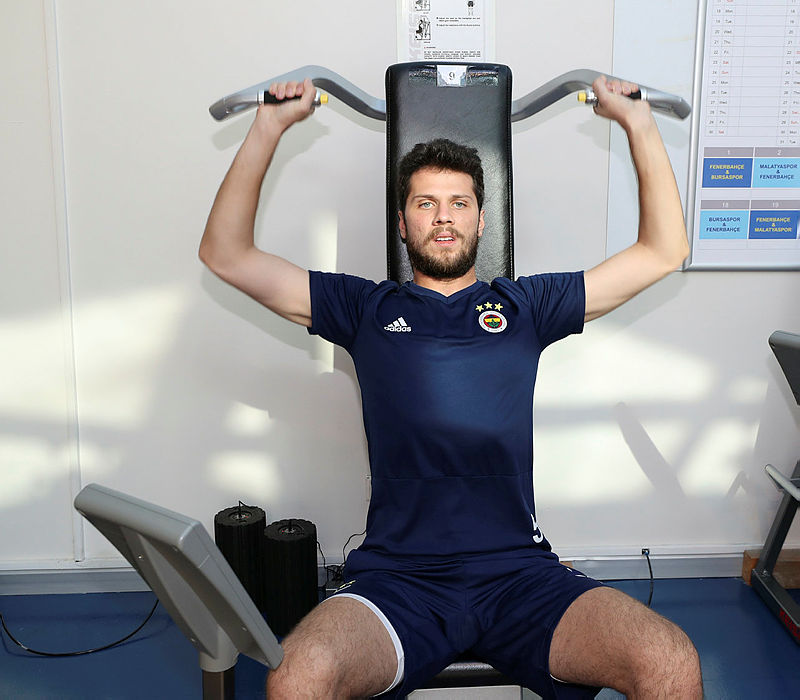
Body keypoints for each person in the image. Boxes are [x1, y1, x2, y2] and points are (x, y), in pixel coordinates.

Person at [200, 76, 703, 698]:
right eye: (426, 203)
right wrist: (269, 125)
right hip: (398, 580)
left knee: (668, 659)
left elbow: (664, 250)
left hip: (519, 574)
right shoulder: (363, 308)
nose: (443, 216)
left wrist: (638, 123)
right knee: (297, 675)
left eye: (459, 203)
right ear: (402, 222)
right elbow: (226, 253)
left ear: (482, 220)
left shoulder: (527, 306)